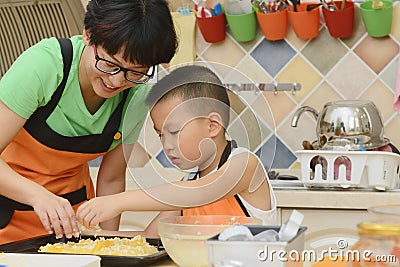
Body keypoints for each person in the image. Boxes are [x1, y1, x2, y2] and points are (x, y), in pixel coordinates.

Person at [0, 0, 177, 244]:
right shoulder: (45, 66)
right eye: (110, 64)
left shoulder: (137, 95)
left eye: (135, 71)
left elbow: (112, 178)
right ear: (88, 35)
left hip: (71, 225)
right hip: (6, 218)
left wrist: (108, 242)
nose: (116, 82)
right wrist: (39, 197)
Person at [77, 65, 277, 235]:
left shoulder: (244, 165)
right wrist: (94, 237)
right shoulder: (188, 185)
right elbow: (151, 237)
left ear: (213, 125)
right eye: (161, 135)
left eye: (174, 131)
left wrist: (118, 201)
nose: (167, 145)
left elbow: (200, 192)